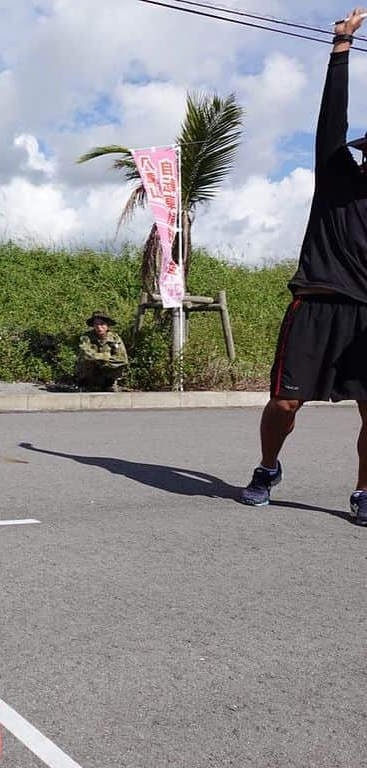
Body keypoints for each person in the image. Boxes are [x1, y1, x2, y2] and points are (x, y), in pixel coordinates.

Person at [238, 9, 367, 523]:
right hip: (314, 304)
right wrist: (341, 51)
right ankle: (268, 467)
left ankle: (362, 492)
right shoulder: (336, 178)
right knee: (285, 406)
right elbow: (331, 120)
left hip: (365, 316)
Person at [76, 311, 128, 391]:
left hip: (107, 369)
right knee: (84, 360)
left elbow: (122, 358)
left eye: (102, 324)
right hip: (90, 372)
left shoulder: (115, 338)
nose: (99, 327)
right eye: (96, 324)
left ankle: (109, 384)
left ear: (107, 325)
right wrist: (106, 356)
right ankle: (84, 385)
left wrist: (104, 361)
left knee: (119, 364)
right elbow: (86, 354)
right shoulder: (86, 337)